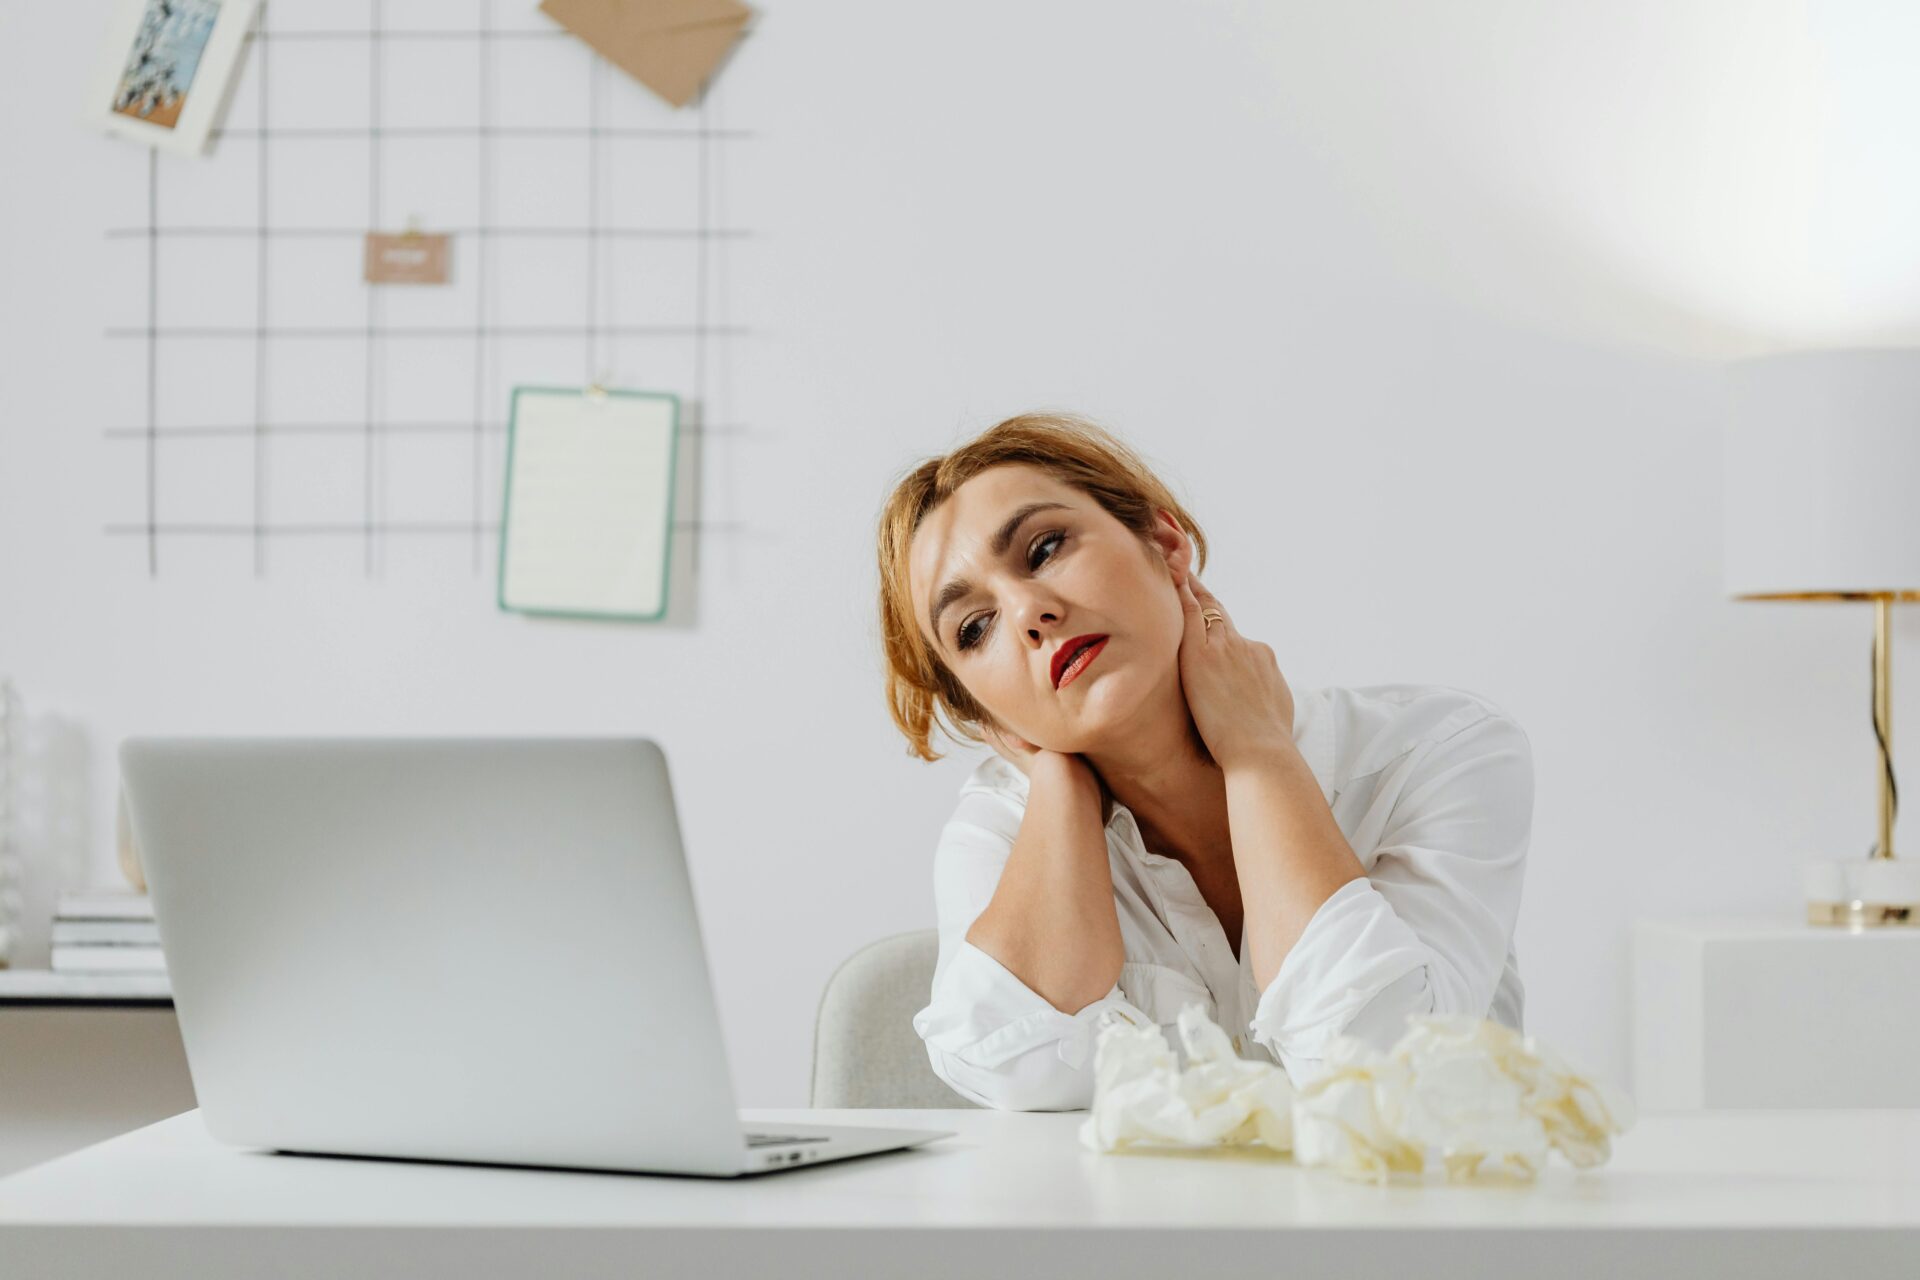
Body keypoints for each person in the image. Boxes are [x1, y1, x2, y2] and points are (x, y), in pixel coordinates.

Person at [875, 412, 1531, 1111]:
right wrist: (1060, 785)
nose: (1030, 611)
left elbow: (1389, 1077)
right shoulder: (999, 829)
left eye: (1044, 548)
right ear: (985, 712)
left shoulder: (1435, 751)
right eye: (974, 628)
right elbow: (1012, 1067)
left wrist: (1258, 754)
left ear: (1165, 543)